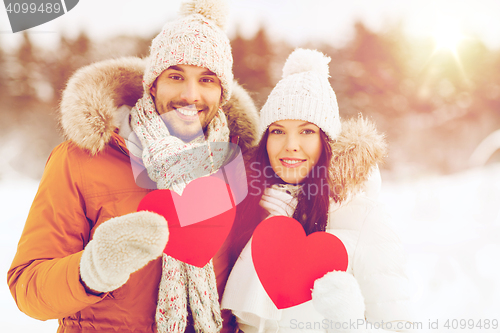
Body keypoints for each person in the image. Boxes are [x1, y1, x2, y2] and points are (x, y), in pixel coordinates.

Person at [7, 0, 258, 332]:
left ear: (223, 92)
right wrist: (92, 270)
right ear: (152, 84)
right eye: (176, 76)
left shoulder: (237, 163)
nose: (190, 94)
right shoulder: (82, 159)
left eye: (207, 80)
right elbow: (28, 288)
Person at [221, 49, 413, 332]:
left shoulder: (364, 216)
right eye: (277, 131)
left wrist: (347, 324)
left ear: (327, 141)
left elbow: (397, 325)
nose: (291, 145)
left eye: (307, 131)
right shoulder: (251, 204)